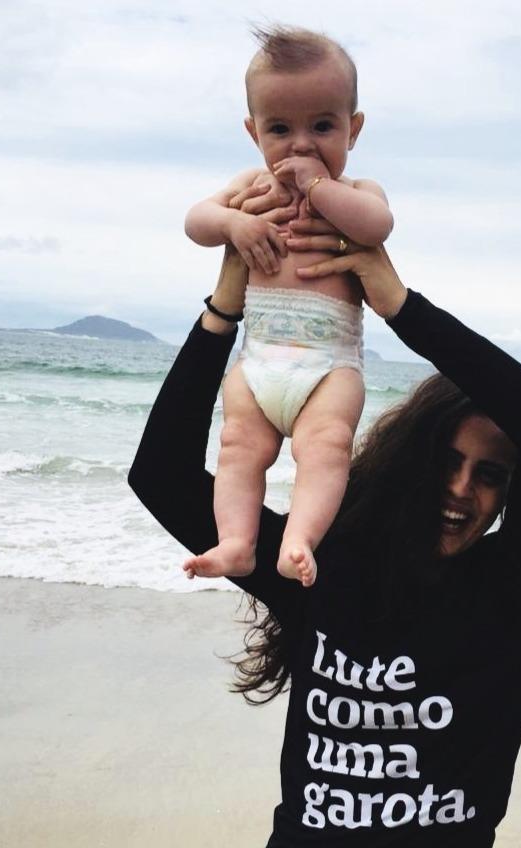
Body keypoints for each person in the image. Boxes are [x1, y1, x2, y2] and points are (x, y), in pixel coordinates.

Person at [128, 222, 521, 846]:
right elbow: (159, 474)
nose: (460, 489)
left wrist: (399, 305)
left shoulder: (517, 587)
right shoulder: (320, 565)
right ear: (410, 463)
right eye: (446, 462)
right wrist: (225, 308)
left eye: (489, 475)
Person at [181, 25, 393, 588]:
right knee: (236, 447)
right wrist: (232, 222)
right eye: (280, 128)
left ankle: (299, 538)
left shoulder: (358, 192)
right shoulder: (250, 187)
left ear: (354, 128)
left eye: (322, 126)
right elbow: (195, 222)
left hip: (328, 365)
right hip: (259, 360)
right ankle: (236, 543)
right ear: (254, 134)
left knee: (325, 447)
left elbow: (379, 227)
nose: (301, 145)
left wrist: (321, 191)